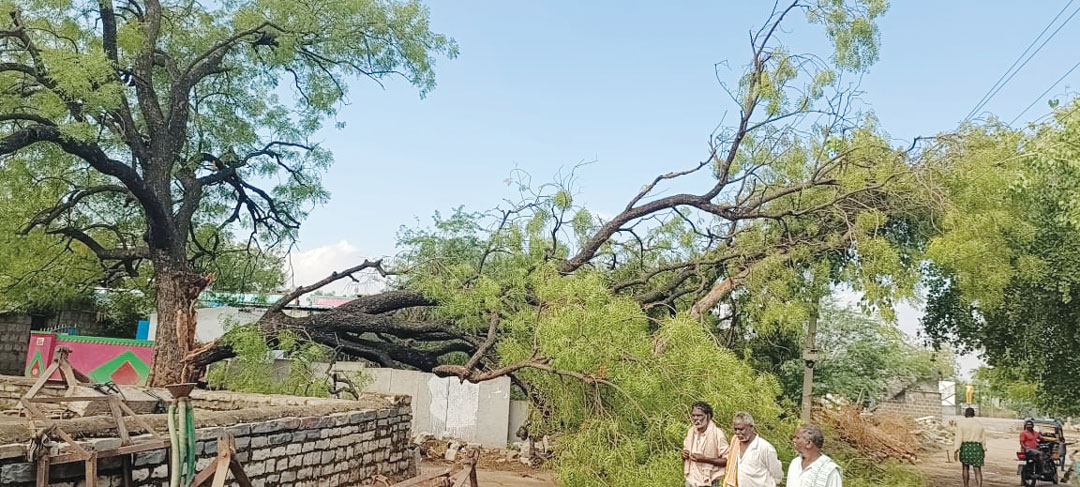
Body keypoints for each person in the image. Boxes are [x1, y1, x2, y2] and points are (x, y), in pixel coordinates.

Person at [722, 412, 783, 487]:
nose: (737, 432)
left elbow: (777, 475)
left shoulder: (765, 448)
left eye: (741, 429)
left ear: (751, 427)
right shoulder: (735, 444)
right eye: (735, 429)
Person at [683, 401, 729, 487]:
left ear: (708, 416)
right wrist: (684, 455)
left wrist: (705, 459)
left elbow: (727, 460)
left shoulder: (717, 434)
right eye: (693, 415)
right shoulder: (691, 432)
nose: (695, 418)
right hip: (691, 481)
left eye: (699, 415)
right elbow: (685, 453)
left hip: (709, 482)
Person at [953, 407, 985, 487]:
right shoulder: (979, 424)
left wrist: (956, 449)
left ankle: (966, 485)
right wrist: (983, 448)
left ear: (965, 414)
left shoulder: (961, 424)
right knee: (977, 469)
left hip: (966, 447)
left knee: (965, 467)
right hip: (977, 447)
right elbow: (983, 438)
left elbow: (959, 437)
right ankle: (979, 485)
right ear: (974, 414)